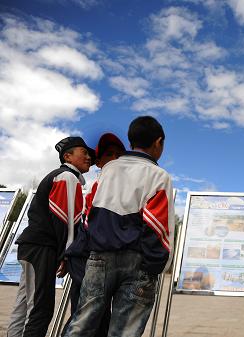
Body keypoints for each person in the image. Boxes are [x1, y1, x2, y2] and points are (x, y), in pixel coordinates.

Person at [64, 116, 175, 337]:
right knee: (125, 331)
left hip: (99, 258)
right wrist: (153, 266)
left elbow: (88, 213)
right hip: (138, 262)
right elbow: (157, 226)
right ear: (158, 142)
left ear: (131, 141)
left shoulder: (108, 170)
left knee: (82, 323)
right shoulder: (159, 176)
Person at [7, 136, 94, 337]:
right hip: (42, 247)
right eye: (84, 152)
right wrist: (66, 254)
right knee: (41, 309)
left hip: (32, 246)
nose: (89, 157)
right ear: (68, 156)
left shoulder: (63, 176)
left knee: (24, 305)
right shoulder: (66, 177)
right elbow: (65, 219)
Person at [62, 133, 126, 336]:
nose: (115, 159)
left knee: (100, 319)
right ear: (98, 162)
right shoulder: (97, 187)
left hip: (103, 262)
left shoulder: (125, 188)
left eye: (119, 155)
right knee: (84, 318)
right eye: (109, 154)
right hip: (86, 259)